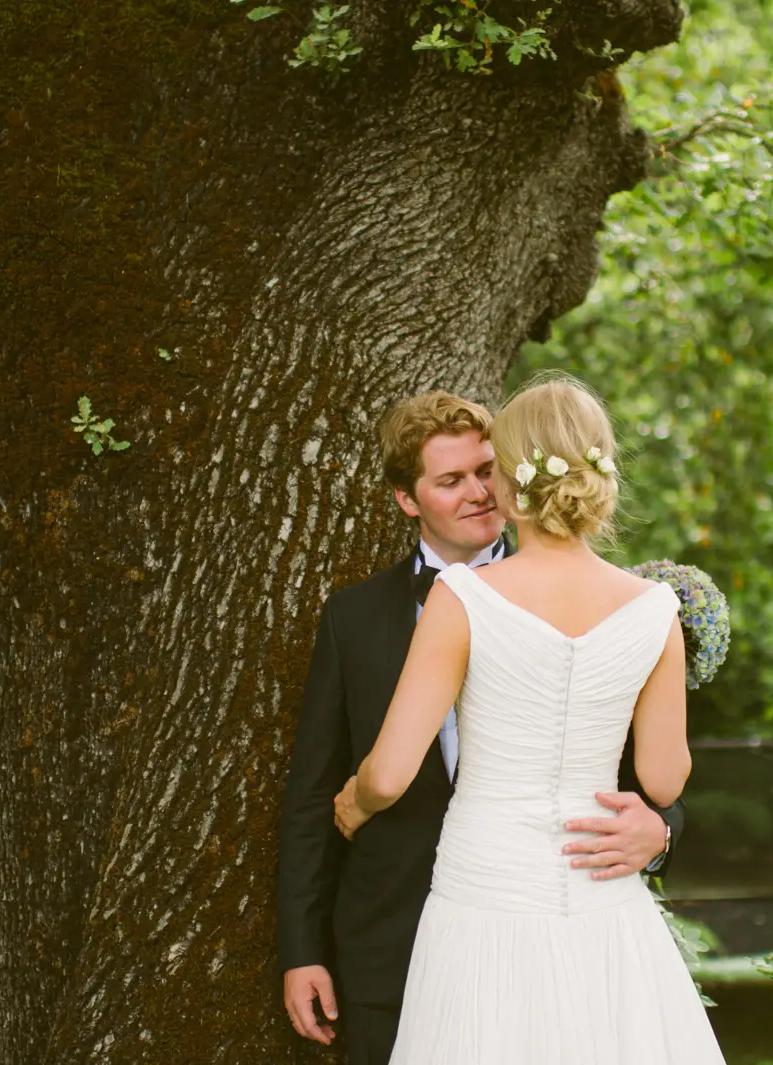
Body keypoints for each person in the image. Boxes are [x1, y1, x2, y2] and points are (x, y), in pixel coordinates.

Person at [276, 390, 685, 1065]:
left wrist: (662, 828)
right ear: (408, 498)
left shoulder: (461, 599)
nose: (478, 490)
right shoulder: (651, 606)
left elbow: (657, 792)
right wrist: (302, 949)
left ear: (515, 473)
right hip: (392, 941)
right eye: (451, 479)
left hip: (507, 909)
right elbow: (305, 793)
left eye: (486, 470)